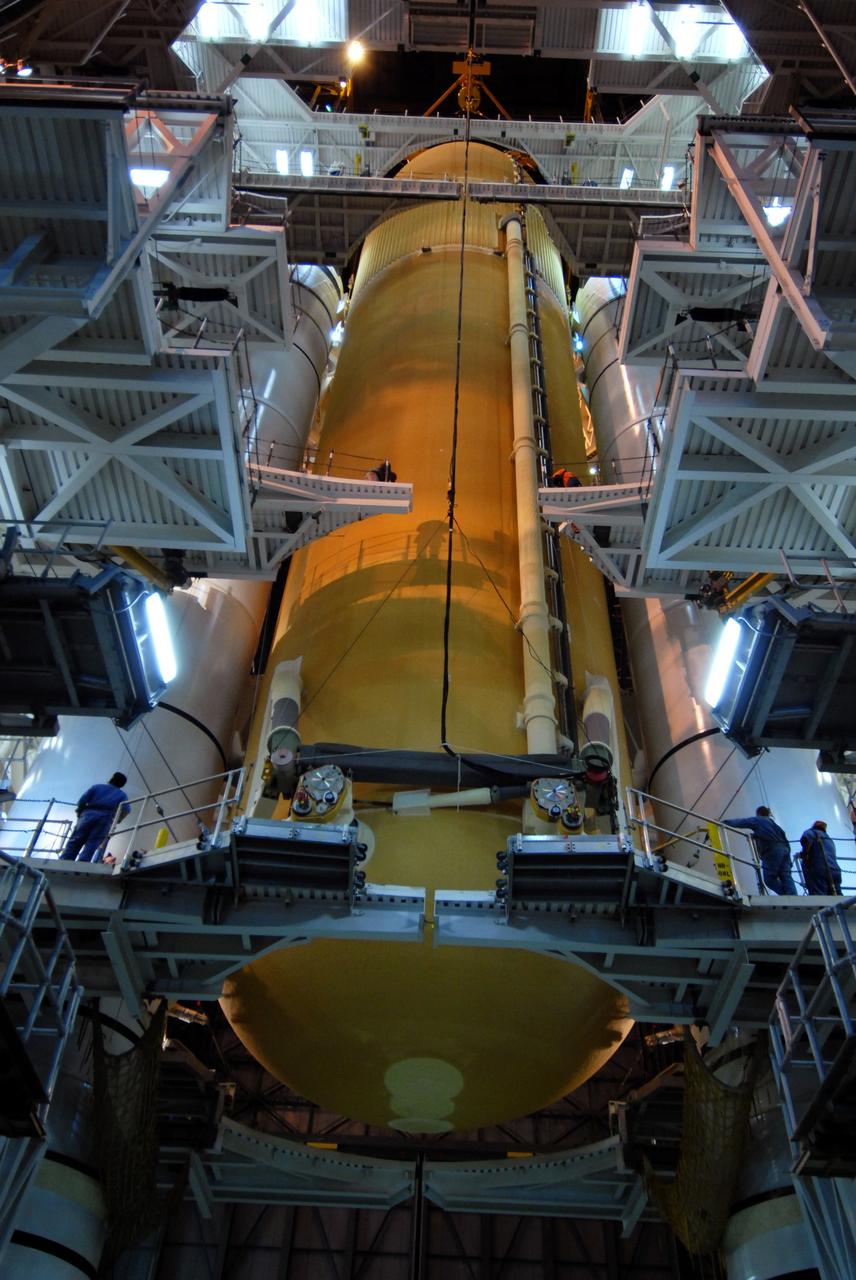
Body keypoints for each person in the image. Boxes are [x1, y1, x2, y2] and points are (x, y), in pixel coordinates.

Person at [60, 772, 131, 864]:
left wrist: (80, 813)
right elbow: (126, 809)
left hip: (88, 814)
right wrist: (117, 820)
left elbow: (82, 801)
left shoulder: (96, 787)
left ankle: (65, 861)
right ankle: (82, 864)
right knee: (92, 843)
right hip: (105, 818)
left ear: (111, 779)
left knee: (76, 840)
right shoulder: (122, 795)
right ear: (122, 784)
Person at [725, 805, 796, 895]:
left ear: (758, 813)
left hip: (772, 850)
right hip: (785, 851)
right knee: (786, 876)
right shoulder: (775, 825)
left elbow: (742, 822)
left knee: (769, 879)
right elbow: (785, 841)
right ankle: (793, 896)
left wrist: (724, 822)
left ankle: (786, 896)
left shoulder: (758, 820)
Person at [799, 819, 842, 895]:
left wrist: (804, 855)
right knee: (838, 898)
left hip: (820, 869)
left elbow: (806, 840)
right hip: (835, 871)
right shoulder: (829, 839)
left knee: (820, 897)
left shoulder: (811, 832)